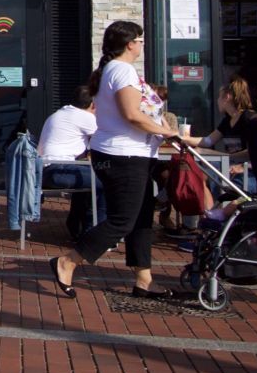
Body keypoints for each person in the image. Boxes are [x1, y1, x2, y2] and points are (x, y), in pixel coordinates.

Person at [50, 21, 178, 300]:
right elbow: (132, 114)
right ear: (130, 43)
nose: (143, 45)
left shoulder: (115, 70)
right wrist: (165, 131)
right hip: (124, 156)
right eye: (141, 40)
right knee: (122, 220)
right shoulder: (122, 70)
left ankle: (144, 279)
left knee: (143, 218)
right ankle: (68, 261)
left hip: (133, 154)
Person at [37, 85, 100, 239]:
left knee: (88, 180)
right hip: (60, 170)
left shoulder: (58, 114)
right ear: (92, 104)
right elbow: (107, 139)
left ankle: (77, 227)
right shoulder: (85, 117)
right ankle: (93, 234)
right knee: (108, 179)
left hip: (46, 170)